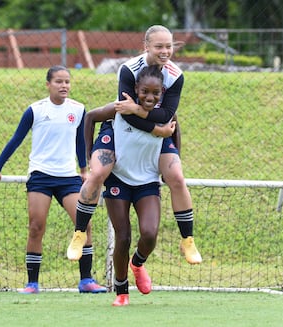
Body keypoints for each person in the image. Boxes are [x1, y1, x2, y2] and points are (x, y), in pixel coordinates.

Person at [67, 25, 202, 266]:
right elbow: (124, 113)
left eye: (169, 46)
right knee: (97, 173)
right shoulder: (129, 70)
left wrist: (152, 122)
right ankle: (79, 233)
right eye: (159, 46)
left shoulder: (176, 75)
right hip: (124, 134)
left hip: (155, 141)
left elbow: (168, 115)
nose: (165, 51)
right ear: (146, 46)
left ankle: (188, 240)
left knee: (178, 179)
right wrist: (155, 126)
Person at [0, 65, 106, 294]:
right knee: (36, 227)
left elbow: (81, 142)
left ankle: (86, 281)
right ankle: (32, 283)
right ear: (48, 84)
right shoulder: (35, 110)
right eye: (59, 81)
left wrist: (84, 169)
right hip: (40, 176)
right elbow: (16, 139)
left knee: (84, 225)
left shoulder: (79, 109)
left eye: (67, 82)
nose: (64, 86)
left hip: (68, 178)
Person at [84, 65, 176, 306]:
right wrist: (85, 160)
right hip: (119, 180)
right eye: (144, 91)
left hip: (147, 182)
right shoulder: (120, 108)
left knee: (149, 233)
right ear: (136, 89)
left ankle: (138, 263)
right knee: (122, 237)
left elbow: (175, 131)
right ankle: (121, 291)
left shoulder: (165, 115)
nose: (149, 97)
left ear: (162, 92)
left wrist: (172, 163)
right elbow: (90, 117)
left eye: (156, 93)